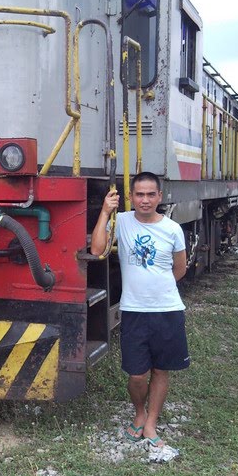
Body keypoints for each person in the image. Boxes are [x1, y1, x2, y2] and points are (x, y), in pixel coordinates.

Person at [90, 172, 189, 448]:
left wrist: (157, 291)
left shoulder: (172, 229)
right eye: (139, 195)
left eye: (150, 195)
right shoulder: (121, 222)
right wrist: (104, 211)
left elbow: (179, 270)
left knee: (160, 370)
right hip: (134, 311)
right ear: (131, 197)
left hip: (168, 311)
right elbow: (97, 247)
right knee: (137, 374)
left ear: (159, 197)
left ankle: (151, 421)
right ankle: (139, 412)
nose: (145, 200)